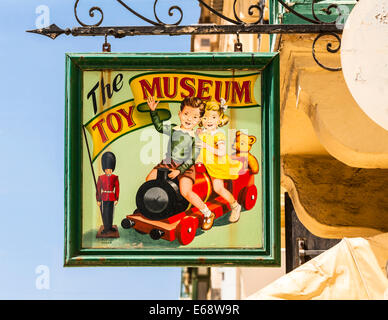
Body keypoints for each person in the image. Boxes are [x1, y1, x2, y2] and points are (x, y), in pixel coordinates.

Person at [146, 96, 216, 230]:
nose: (189, 119)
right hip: (168, 162)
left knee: (185, 191)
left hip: (186, 166)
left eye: (195, 117)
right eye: (186, 114)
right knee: (149, 180)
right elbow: (159, 127)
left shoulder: (197, 138)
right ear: (180, 114)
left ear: (200, 120)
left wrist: (180, 171)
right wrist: (153, 111)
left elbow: (192, 159)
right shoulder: (174, 129)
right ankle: (153, 207)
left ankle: (207, 213)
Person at [197, 99, 243, 223]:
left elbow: (221, 152)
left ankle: (235, 205)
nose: (209, 121)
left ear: (219, 119)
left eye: (213, 117)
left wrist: (207, 146)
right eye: (205, 118)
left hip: (216, 165)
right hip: (202, 164)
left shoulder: (219, 135)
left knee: (218, 188)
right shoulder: (202, 132)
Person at [96, 152, 120, 234]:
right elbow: (98, 189)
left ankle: (110, 227)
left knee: (111, 213)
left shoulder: (115, 177)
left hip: (112, 197)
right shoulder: (101, 178)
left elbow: (117, 188)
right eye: (107, 170)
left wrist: (116, 198)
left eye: (110, 170)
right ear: (104, 169)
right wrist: (98, 200)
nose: (108, 171)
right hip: (104, 197)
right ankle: (106, 228)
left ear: (112, 169)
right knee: (105, 213)